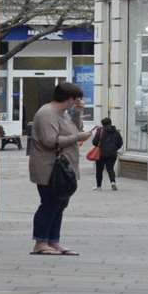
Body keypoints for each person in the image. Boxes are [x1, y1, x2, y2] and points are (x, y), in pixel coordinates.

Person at [29, 83, 96, 255]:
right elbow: (50, 141)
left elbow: (75, 129)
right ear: (69, 98)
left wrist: (79, 113)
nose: (78, 102)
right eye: (77, 99)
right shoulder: (47, 113)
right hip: (49, 167)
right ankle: (40, 242)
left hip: (64, 166)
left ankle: (53, 241)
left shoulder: (63, 114)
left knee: (60, 204)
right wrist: (78, 137)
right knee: (49, 203)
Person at [92, 116, 123, 189]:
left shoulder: (100, 131)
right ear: (111, 123)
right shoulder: (116, 132)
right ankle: (113, 183)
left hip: (101, 154)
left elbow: (94, 142)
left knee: (99, 170)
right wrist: (114, 148)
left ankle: (99, 186)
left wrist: (100, 145)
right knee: (110, 168)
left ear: (102, 124)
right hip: (112, 154)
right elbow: (120, 143)